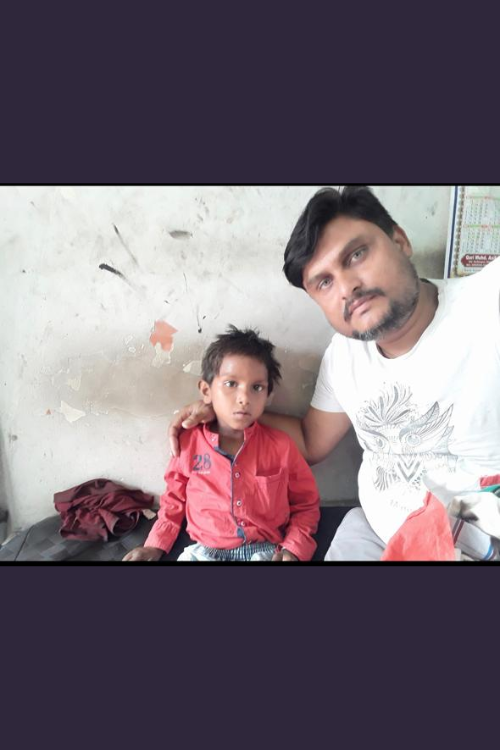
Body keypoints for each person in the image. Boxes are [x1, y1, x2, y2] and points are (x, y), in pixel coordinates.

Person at [169, 186, 500, 561]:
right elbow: (311, 441)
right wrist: (224, 412)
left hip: (473, 547)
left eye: (357, 255)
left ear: (400, 241)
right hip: (375, 532)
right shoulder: (344, 355)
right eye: (324, 282)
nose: (348, 288)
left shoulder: (486, 305)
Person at [124, 326, 320, 562]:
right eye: (231, 384)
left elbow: (305, 505)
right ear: (206, 391)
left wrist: (294, 549)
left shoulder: (281, 447)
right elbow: (173, 502)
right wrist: (155, 545)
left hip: (266, 552)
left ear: (268, 396)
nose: (244, 398)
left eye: (257, 387)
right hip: (203, 552)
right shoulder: (188, 443)